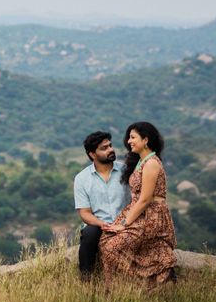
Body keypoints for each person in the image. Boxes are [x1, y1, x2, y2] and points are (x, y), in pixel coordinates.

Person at [99, 121, 177, 290]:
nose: (129, 141)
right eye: (129, 137)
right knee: (105, 240)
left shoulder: (152, 163)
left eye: (133, 137)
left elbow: (145, 199)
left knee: (112, 247)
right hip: (139, 211)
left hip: (150, 216)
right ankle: (112, 288)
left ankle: (147, 281)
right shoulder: (142, 162)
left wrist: (124, 225)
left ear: (146, 140)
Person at [73, 131, 130, 280]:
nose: (110, 149)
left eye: (110, 146)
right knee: (88, 234)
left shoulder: (126, 171)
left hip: (127, 222)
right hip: (99, 224)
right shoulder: (82, 179)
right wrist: (102, 224)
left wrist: (125, 222)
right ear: (92, 154)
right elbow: (84, 213)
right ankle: (86, 280)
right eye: (104, 148)